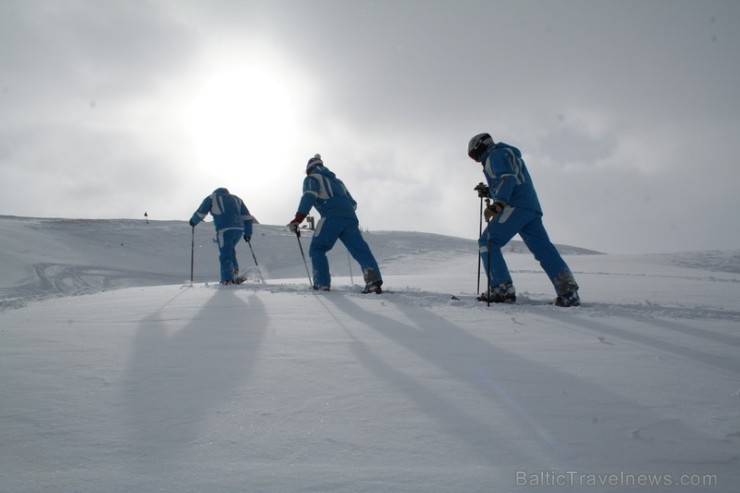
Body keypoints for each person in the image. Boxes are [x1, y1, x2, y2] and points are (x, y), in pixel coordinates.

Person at [467, 133, 580, 307]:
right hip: (530, 207)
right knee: (544, 250)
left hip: (515, 205)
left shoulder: (495, 154)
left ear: (479, 146)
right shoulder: (507, 153)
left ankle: (501, 288)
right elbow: (513, 180)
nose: (477, 160)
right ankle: (568, 291)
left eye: (474, 156)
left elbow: (508, 178)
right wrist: (490, 192)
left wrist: (499, 202)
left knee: (488, 241)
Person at [287, 154, 383, 294]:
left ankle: (321, 284)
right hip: (350, 217)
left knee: (317, 248)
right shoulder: (338, 182)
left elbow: (309, 196)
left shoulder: (312, 178)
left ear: (309, 169)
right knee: (360, 249)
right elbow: (354, 204)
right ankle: (373, 281)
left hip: (331, 215)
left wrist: (298, 219)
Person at [189, 187, 253, 285]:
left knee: (225, 254)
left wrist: (193, 221)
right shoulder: (237, 199)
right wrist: (248, 233)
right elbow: (247, 217)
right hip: (239, 230)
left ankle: (227, 280)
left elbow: (201, 212)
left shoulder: (212, 197)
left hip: (224, 230)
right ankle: (234, 275)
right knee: (230, 250)